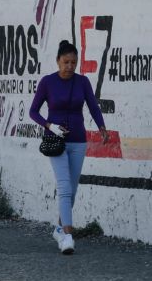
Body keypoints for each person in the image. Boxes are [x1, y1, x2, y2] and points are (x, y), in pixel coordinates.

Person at [30, 40, 110, 255]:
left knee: (72, 191)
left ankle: (58, 228)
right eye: (66, 62)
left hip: (78, 140)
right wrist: (49, 125)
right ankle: (67, 236)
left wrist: (102, 126)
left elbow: (93, 105)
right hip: (56, 141)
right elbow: (33, 111)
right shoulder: (47, 82)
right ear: (58, 61)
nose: (70, 66)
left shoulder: (82, 82)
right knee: (64, 188)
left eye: (74, 62)